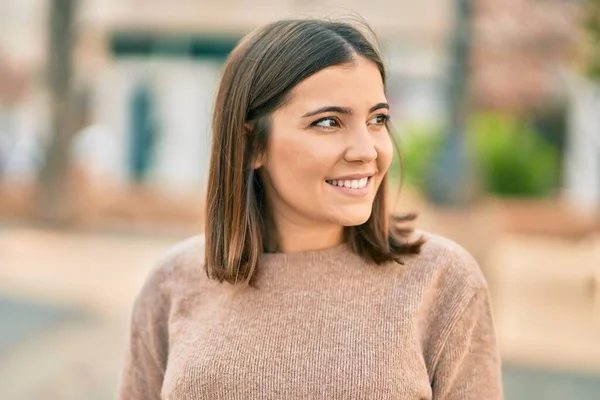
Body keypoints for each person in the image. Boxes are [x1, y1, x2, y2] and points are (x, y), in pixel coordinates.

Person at [117, 17, 503, 399]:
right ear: (252, 145)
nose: (367, 150)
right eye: (329, 122)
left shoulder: (442, 281)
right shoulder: (173, 281)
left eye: (378, 119)